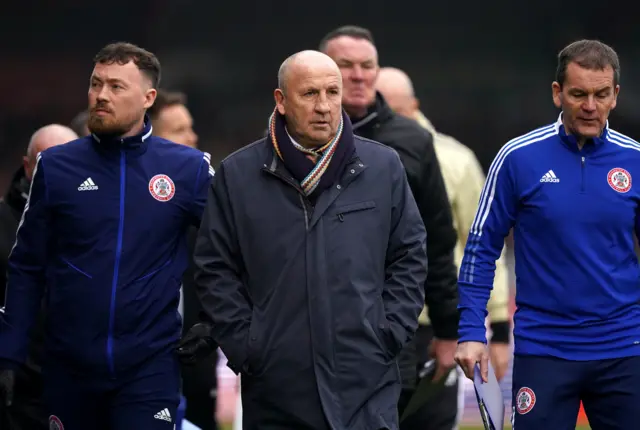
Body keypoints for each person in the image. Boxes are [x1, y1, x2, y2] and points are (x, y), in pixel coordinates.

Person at [193, 49, 427, 430]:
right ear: (281, 101)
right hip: (276, 387)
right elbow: (215, 268)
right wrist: (249, 346)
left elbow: (410, 256)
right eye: (310, 94)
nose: (324, 106)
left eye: (332, 93)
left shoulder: (383, 166)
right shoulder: (237, 174)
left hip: (366, 379)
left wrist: (388, 332)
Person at [0, 42, 214, 430]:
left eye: (116, 87)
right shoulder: (57, 166)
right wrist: (8, 354)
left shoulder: (188, 170)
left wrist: (214, 321)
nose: (101, 96)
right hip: (69, 370)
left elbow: (229, 249)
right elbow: (27, 266)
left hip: (148, 369)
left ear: (149, 97)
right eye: (96, 84)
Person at [455, 39, 640, 429]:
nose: (590, 106)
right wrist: (471, 331)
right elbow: (480, 248)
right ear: (558, 93)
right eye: (579, 94)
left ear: (615, 96)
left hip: (625, 349)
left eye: (601, 94)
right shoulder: (518, 157)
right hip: (545, 351)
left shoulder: (635, 160)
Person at [319, 24, 459, 413]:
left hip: (392, 329)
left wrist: (449, 329)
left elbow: (438, 239)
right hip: (310, 330)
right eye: (345, 65)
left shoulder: (413, 140)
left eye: (368, 65)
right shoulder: (293, 138)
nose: (359, 75)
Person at [376, 67, 512, 429]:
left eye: (396, 110)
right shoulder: (354, 158)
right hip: (373, 322)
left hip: (432, 323)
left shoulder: (455, 160)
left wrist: (498, 327)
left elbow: (482, 243)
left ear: (415, 106)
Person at [148, 88, 218, 430]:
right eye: (179, 130)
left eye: (190, 127)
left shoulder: (208, 206)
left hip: (196, 363)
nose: (193, 137)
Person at [0, 124, 78, 430]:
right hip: (17, 387)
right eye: (46, 161)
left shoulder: (103, 225)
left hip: (82, 378)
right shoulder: (3, 225)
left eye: (66, 162)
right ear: (27, 166)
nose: (55, 172)